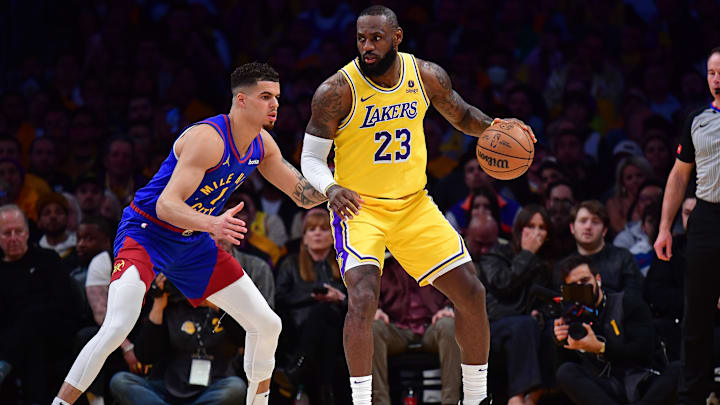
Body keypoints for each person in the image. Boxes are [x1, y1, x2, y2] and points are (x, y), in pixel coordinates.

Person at [299, 6, 535, 404]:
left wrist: (497, 127)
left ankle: (475, 398)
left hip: (413, 205)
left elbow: (461, 116)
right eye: (361, 39)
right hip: (360, 208)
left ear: (397, 37)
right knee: (361, 297)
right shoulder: (336, 90)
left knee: (472, 292)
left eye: (376, 38)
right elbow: (309, 158)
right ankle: (363, 401)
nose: (367, 47)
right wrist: (331, 188)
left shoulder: (425, 75)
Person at [53, 62, 327, 405]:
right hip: (147, 232)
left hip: (190, 240)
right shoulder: (207, 138)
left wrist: (338, 187)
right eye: (265, 96)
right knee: (117, 326)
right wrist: (213, 223)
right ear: (241, 100)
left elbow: (301, 194)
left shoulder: (263, 145)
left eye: (277, 97)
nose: (275, 105)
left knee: (267, 324)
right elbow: (167, 205)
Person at [654, 47, 720, 405]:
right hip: (707, 217)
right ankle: (692, 396)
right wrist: (665, 228)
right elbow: (679, 176)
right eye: (711, 72)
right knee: (696, 312)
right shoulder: (697, 120)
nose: (716, 79)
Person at [552, 255, 681, 405]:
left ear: (597, 279)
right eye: (574, 286)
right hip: (607, 388)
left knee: (678, 369)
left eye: (585, 281)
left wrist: (601, 348)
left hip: (643, 380)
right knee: (565, 371)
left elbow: (643, 353)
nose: (581, 288)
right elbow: (566, 373)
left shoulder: (627, 302)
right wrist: (560, 342)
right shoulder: (571, 317)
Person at [109, 274, 248, 405]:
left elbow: (245, 341)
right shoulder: (170, 305)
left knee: (235, 388)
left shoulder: (226, 303)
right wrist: (158, 306)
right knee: (120, 381)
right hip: (168, 388)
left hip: (213, 386)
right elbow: (145, 356)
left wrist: (218, 306)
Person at [0, 205, 81, 404]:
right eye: (6, 233)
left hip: (55, 331)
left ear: (27, 232)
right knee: (29, 339)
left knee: (32, 319)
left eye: (18, 232)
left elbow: (65, 305)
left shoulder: (48, 260)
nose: (13, 238)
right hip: (17, 338)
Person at [479, 205, 555, 405]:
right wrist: (527, 254)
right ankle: (517, 397)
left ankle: (534, 395)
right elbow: (503, 285)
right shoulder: (496, 256)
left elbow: (550, 301)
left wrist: (541, 313)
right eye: (530, 226)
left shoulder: (545, 265)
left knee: (554, 329)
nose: (536, 233)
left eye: (542, 227)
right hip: (494, 325)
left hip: (528, 326)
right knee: (523, 325)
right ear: (519, 229)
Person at [273, 208, 347, 403]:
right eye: (311, 229)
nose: (317, 233)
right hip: (296, 328)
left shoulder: (343, 265)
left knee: (326, 316)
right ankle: (326, 393)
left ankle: (296, 370)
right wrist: (314, 295)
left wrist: (339, 298)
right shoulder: (289, 263)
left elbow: (356, 303)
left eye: (324, 229)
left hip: (339, 330)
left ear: (333, 237)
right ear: (304, 237)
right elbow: (279, 299)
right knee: (323, 315)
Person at [372, 255, 461, 405]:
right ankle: (380, 402)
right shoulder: (382, 265)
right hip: (397, 329)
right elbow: (367, 293)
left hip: (431, 328)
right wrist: (375, 309)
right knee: (372, 327)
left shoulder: (438, 261)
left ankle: (451, 401)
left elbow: (458, 292)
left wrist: (449, 307)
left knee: (448, 324)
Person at [560, 200, 644, 296]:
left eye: (595, 222)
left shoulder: (623, 258)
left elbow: (634, 296)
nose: (588, 226)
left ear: (604, 230)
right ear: (572, 228)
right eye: (583, 221)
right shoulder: (563, 266)